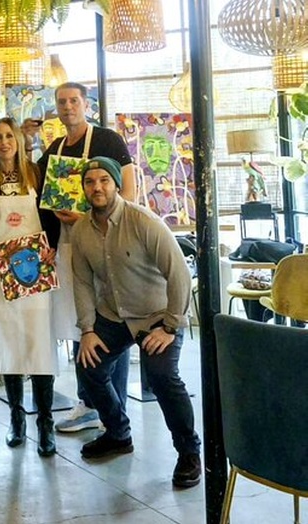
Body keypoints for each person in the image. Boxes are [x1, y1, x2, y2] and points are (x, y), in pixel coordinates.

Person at [71, 156, 202, 489]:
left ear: (116, 184)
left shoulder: (143, 221)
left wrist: (171, 326)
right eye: (90, 182)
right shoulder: (82, 229)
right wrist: (87, 330)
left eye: (104, 180)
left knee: (161, 376)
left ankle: (189, 453)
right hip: (114, 316)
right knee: (89, 367)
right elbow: (83, 282)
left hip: (156, 316)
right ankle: (117, 433)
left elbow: (179, 274)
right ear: (84, 188)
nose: (97, 187)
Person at [24, 82, 134, 434]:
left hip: (106, 239)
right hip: (69, 243)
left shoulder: (108, 140)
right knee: (80, 319)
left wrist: (88, 217)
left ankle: (112, 406)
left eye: (74, 101)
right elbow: (33, 182)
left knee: (113, 321)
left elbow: (128, 191)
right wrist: (26, 141)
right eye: (62, 102)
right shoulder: (56, 147)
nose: (68, 106)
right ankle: (91, 401)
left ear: (86, 104)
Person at [0, 117, 61, 455]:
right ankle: (17, 419)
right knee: (9, 344)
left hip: (35, 267)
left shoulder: (36, 173)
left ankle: (46, 423)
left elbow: (50, 216)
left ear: (20, 140)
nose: (4, 142)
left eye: (9, 135)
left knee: (38, 345)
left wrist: (51, 248)